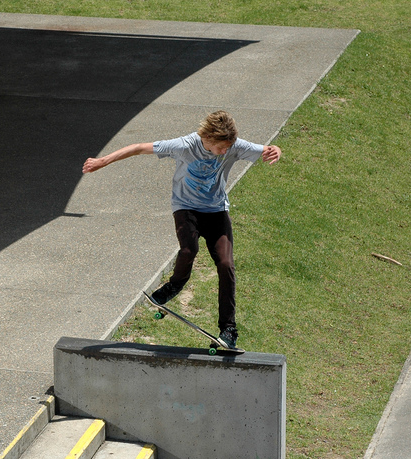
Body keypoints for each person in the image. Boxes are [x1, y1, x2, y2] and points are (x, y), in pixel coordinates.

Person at [82, 110, 281, 349]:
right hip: (186, 209)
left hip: (216, 211)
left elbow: (267, 149)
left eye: (228, 148)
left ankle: (229, 328)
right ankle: (174, 285)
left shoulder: (235, 145)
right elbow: (138, 147)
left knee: (226, 264)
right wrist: (103, 161)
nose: (225, 152)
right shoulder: (184, 145)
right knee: (188, 250)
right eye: (220, 148)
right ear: (207, 138)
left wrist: (276, 149)